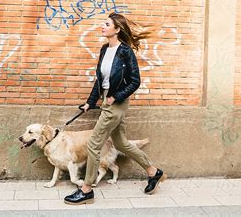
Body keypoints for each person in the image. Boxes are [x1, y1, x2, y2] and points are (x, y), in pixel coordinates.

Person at [64, 12, 167, 205]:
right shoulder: (105, 50)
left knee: (94, 144)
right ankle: (154, 172)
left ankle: (86, 190)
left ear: (117, 29)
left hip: (116, 104)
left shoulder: (125, 52)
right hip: (107, 101)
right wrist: (90, 101)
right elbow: (100, 80)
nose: (102, 27)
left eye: (106, 24)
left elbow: (135, 81)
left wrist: (115, 97)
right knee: (121, 144)